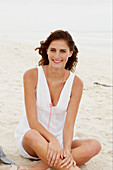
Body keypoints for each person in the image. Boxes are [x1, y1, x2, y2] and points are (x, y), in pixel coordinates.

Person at [14, 30, 101, 170]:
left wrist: (66, 148)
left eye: (62, 51)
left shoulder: (76, 83)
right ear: (46, 51)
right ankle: (69, 167)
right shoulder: (31, 75)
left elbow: (69, 123)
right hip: (34, 141)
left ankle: (38, 167)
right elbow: (32, 122)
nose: (57, 56)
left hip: (61, 140)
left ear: (70, 53)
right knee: (31, 135)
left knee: (94, 145)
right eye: (53, 50)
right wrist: (52, 140)